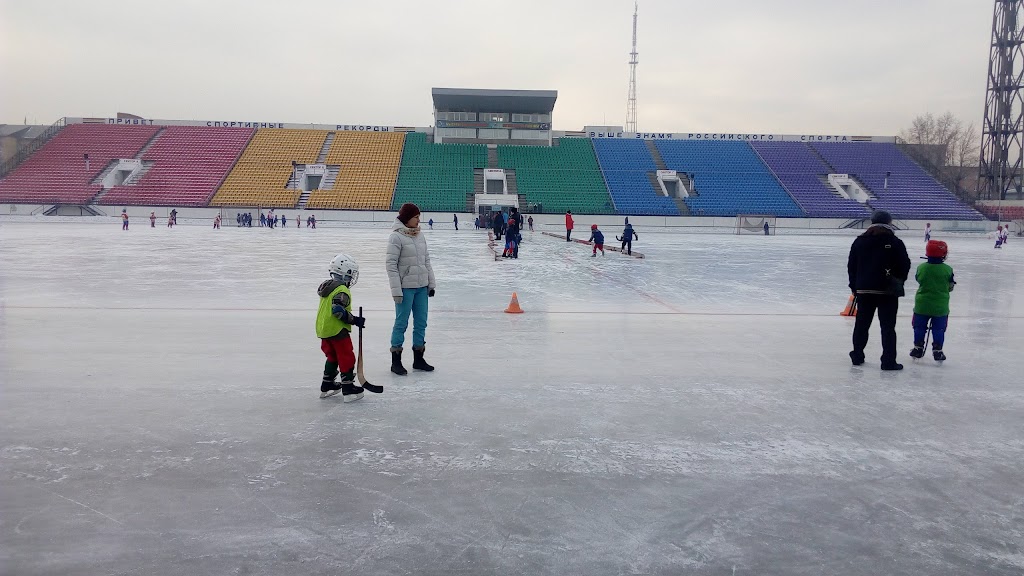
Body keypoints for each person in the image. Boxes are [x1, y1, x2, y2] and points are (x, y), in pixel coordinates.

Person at [847, 210, 911, 371]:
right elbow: (905, 264)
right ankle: (888, 361)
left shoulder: (859, 241)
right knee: (888, 327)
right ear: (889, 223)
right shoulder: (895, 242)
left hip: (864, 290)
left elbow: (851, 266)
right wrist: (898, 280)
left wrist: (855, 286)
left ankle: (857, 355)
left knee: (861, 325)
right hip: (887, 291)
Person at [316, 253, 378, 401]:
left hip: (324, 330)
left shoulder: (328, 287)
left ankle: (327, 384)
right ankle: (348, 388)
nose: (351, 279)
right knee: (346, 357)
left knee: (332, 356)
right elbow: (337, 311)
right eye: (351, 275)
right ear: (345, 273)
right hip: (338, 331)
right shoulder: (342, 290)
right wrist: (355, 320)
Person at [386, 203, 436, 376]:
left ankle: (418, 359)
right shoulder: (396, 237)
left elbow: (426, 260)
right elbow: (391, 265)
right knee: (401, 323)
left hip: (421, 287)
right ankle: (396, 360)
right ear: (407, 218)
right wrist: (396, 290)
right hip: (405, 288)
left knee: (421, 323)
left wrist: (431, 283)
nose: (418, 220)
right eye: (416, 217)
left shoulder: (420, 235)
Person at [910, 240, 955, 362]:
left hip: (922, 304)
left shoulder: (921, 267)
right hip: (940, 306)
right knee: (939, 328)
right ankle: (937, 350)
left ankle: (918, 348)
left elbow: (919, 279)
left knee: (919, 327)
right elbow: (950, 286)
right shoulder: (948, 269)